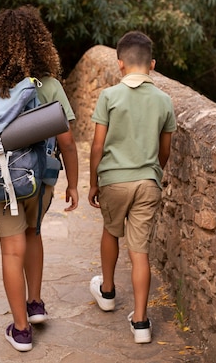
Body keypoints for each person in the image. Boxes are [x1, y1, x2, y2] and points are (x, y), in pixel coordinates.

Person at [0, 5, 79, 352]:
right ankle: (35, 304)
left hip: (4, 183)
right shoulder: (48, 86)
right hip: (42, 180)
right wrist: (74, 184)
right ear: (40, 42)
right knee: (33, 234)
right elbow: (66, 142)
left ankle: (20, 330)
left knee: (11, 250)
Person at [88, 31, 176, 344]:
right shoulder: (164, 100)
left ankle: (108, 292)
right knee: (140, 252)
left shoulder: (109, 97)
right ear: (152, 64)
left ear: (120, 64)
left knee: (111, 231)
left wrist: (93, 183)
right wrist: (153, 172)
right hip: (147, 182)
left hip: (113, 179)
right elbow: (164, 150)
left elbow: (97, 146)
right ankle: (141, 322)